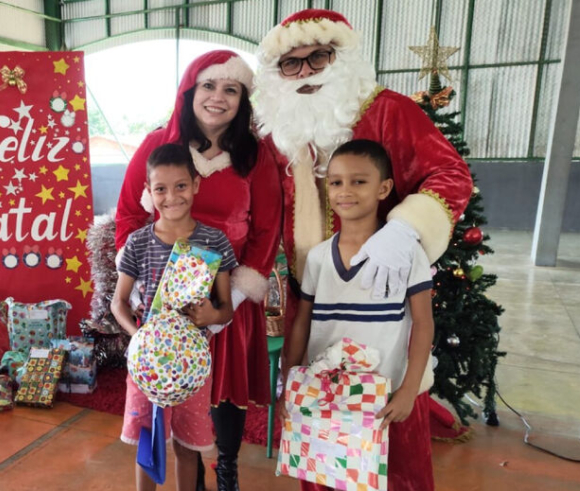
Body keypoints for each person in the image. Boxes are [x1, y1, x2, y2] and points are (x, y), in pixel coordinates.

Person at [115, 51, 283, 490]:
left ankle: (226, 469)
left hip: (226, 296)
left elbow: (268, 228)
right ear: (191, 91)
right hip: (163, 302)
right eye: (209, 86)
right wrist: (140, 285)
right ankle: (188, 478)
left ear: (243, 99)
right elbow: (129, 213)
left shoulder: (256, 154)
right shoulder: (158, 145)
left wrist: (235, 296)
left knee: (224, 390)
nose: (217, 97)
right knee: (167, 394)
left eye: (231, 89)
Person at [253, 9, 472, 339]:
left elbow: (450, 173)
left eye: (318, 57)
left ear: (342, 57)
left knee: (375, 369)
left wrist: (404, 229)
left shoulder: (389, 110)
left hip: (377, 290)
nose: (305, 72)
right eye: (291, 63)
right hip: (305, 294)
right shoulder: (277, 128)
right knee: (307, 369)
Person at [279, 139, 435, 491]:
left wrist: (409, 389)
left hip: (383, 398)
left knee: (390, 480)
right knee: (326, 477)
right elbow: (303, 321)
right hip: (327, 395)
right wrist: (290, 382)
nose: (345, 191)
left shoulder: (407, 253)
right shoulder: (318, 257)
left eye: (358, 181)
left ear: (384, 188)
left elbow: (423, 323)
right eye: (336, 182)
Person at [112, 143, 237, 491]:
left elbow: (226, 308)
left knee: (187, 445)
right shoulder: (138, 242)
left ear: (195, 184)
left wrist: (211, 315)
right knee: (148, 441)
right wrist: (137, 335)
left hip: (191, 365)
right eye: (160, 189)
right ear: (149, 192)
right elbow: (118, 303)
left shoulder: (214, 241)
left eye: (180, 186)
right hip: (147, 362)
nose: (171, 197)